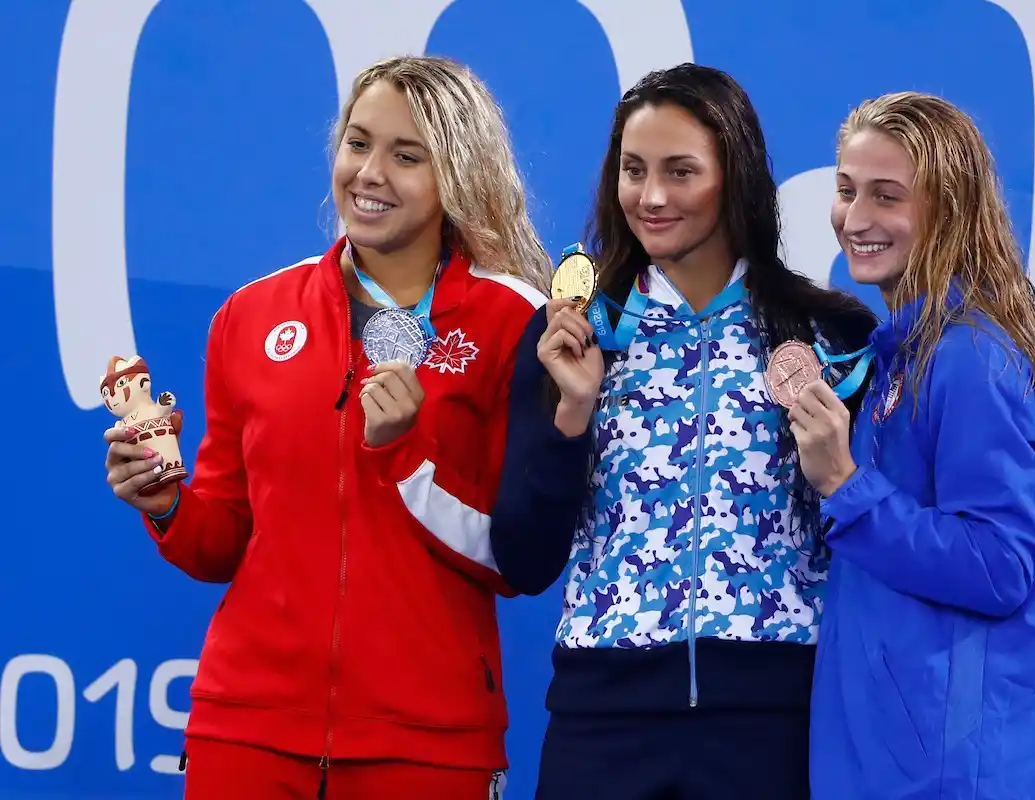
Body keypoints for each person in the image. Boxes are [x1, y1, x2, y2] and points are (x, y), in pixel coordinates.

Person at [102, 55, 549, 799]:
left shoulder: (512, 322)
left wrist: (409, 451)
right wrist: (167, 505)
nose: (370, 173)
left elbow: (515, 559)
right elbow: (223, 541)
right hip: (247, 729)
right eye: (357, 143)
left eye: (407, 156)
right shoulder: (251, 315)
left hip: (426, 741)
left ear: (458, 174)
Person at [490, 63, 878, 799]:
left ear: (735, 177)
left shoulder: (828, 333)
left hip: (773, 722)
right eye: (633, 171)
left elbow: (872, 539)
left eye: (681, 171)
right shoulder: (573, 332)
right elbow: (523, 559)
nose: (652, 196)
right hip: (602, 722)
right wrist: (569, 417)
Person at [802, 90, 1035, 798]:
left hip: (948, 779)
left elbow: (998, 565)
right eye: (846, 190)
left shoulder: (969, 358)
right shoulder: (903, 353)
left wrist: (845, 486)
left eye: (886, 196)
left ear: (947, 210)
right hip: (895, 767)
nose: (855, 219)